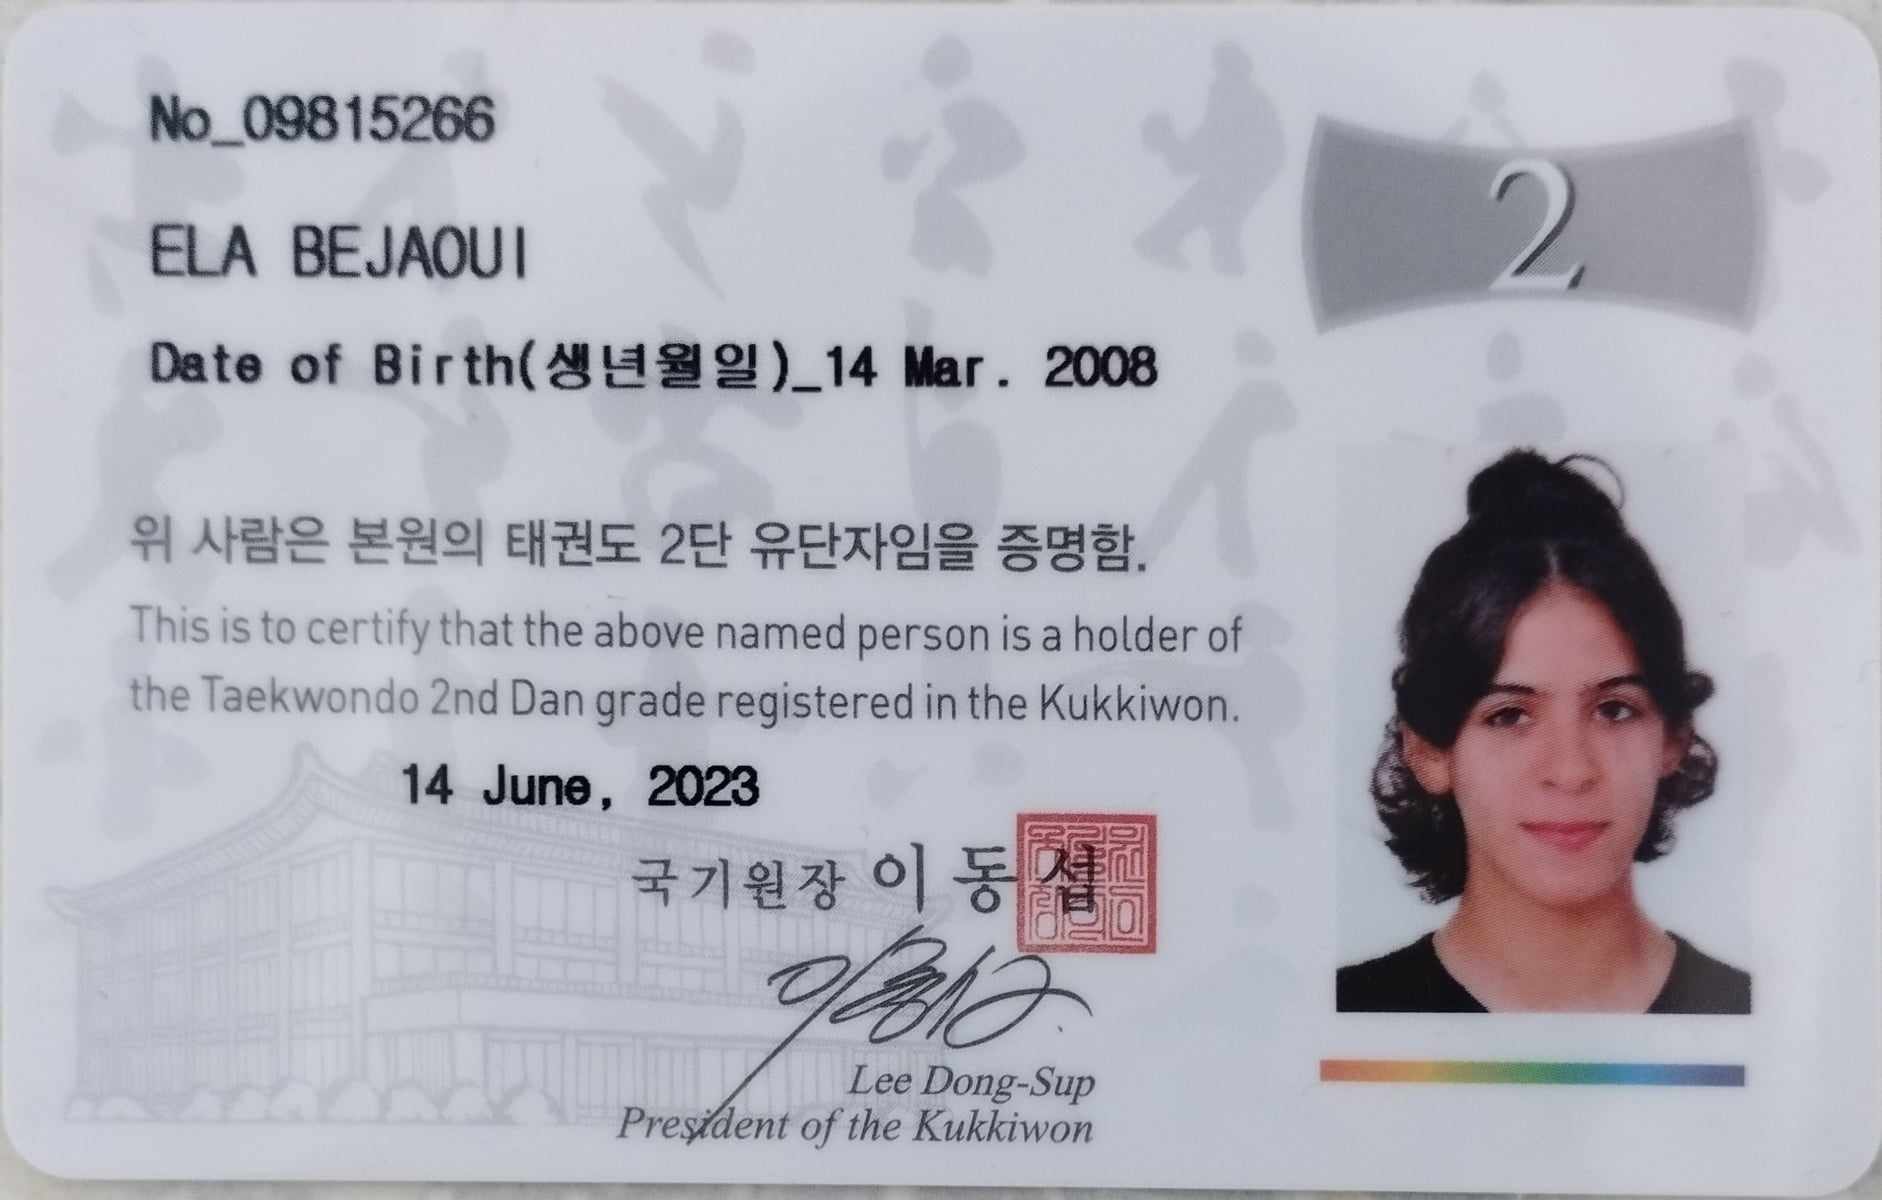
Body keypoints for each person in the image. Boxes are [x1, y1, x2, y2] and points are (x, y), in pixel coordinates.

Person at [1338, 450, 1750, 1014]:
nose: (1571, 771)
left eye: (1614, 710)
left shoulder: (1748, 1014)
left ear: (1673, 738)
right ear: (1429, 750)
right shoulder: (1354, 1013)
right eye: (1509, 715)